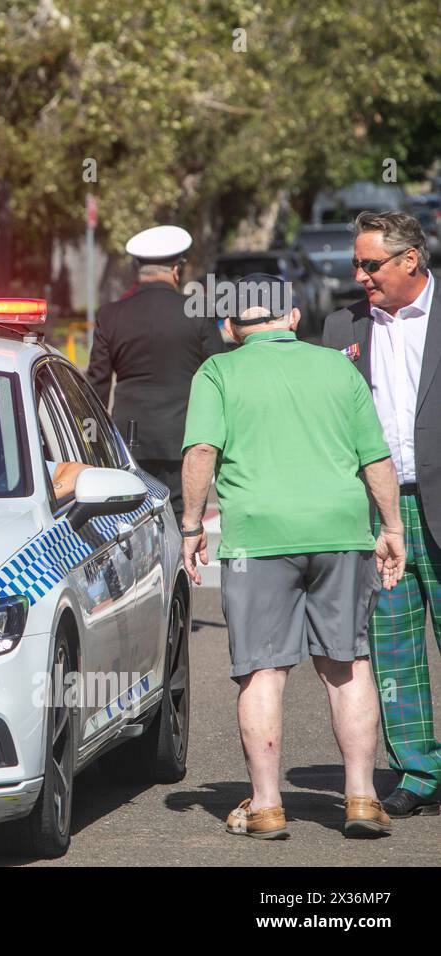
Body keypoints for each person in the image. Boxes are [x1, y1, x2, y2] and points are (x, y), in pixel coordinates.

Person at [180, 273, 406, 840]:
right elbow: (375, 456)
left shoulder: (218, 371)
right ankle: (360, 798)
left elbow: (202, 450)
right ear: (294, 318)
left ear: (229, 327)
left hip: (257, 540)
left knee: (262, 670)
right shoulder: (337, 366)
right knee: (348, 664)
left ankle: (266, 805)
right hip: (341, 531)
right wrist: (392, 527)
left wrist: (190, 526)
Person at [323, 210, 441, 818]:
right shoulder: (343, 324)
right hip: (379, 512)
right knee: (392, 647)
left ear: (410, 260)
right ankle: (418, 772)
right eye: (357, 265)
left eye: (371, 265)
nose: (361, 276)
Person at [87, 225, 223, 520]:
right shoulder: (198, 311)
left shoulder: (110, 315)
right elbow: (219, 372)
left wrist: (95, 440)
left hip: (129, 440)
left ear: (137, 268)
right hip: (184, 437)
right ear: (176, 269)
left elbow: (96, 384)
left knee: (134, 518)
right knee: (178, 517)